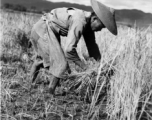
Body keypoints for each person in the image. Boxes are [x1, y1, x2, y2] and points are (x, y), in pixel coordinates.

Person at [29, 0, 118, 95]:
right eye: (102, 26)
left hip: (43, 28)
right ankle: (50, 93)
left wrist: (100, 66)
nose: (100, 30)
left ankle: (30, 84)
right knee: (61, 64)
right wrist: (85, 67)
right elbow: (69, 50)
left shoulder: (88, 24)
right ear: (95, 19)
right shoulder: (80, 21)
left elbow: (92, 48)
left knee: (41, 60)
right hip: (43, 29)